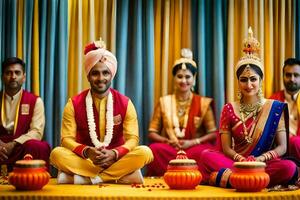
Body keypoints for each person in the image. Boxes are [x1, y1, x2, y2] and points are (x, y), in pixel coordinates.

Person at [199, 28, 298, 188]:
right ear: (238, 81)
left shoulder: (274, 107)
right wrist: (242, 160)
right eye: (243, 79)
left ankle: (231, 180)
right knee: (205, 156)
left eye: (253, 79)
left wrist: (259, 160)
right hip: (236, 162)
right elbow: (225, 148)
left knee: (288, 167)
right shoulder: (228, 108)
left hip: (264, 163)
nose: (249, 84)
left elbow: (283, 147)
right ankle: (252, 180)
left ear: (260, 80)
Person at [50, 39, 153, 185]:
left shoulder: (125, 103)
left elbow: (133, 139)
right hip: (86, 160)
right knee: (56, 154)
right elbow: (66, 139)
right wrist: (88, 151)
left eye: (105, 73)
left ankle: (88, 179)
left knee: (145, 152)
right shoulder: (73, 103)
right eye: (95, 73)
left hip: (116, 159)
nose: (101, 78)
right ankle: (119, 176)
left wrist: (114, 153)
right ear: (88, 76)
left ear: (111, 75)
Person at [146, 48, 217, 177]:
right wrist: (167, 141)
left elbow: (213, 133)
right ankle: (171, 176)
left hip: (193, 148)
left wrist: (194, 142)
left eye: (187, 77)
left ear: (194, 79)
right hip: (171, 148)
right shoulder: (164, 101)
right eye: (179, 76)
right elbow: (152, 132)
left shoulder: (203, 103)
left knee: (204, 153)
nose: (183, 81)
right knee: (154, 149)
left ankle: (192, 177)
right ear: (174, 78)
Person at [0, 57, 50, 172]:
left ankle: (29, 178)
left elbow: (36, 132)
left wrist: (13, 144)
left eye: (17, 73)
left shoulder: (35, 101)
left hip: (20, 148)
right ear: (2, 76)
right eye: (8, 73)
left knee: (38, 146)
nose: (13, 77)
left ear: (24, 77)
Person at [270, 58, 300, 161]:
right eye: (288, 75)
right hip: (281, 150)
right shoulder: (273, 100)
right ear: (283, 76)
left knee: (296, 142)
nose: (292, 79)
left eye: (296, 75)